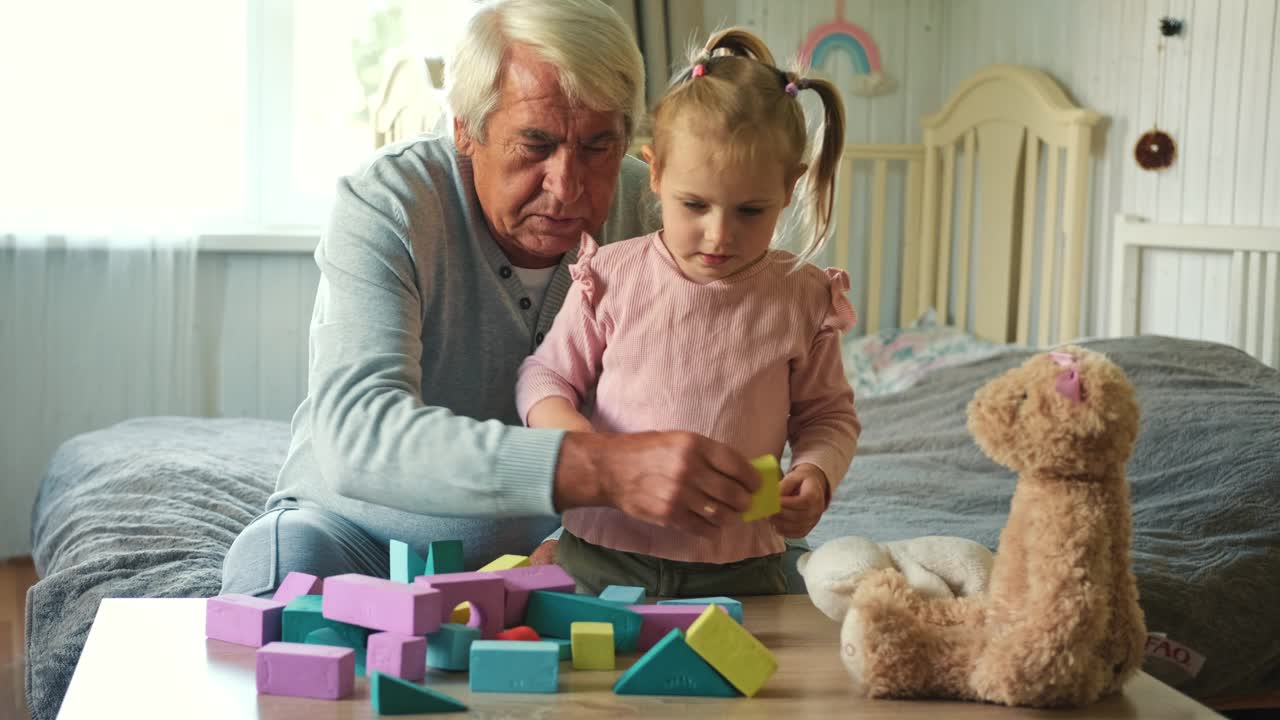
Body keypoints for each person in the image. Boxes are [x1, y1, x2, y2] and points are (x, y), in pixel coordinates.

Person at [220, 0, 767, 596]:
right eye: (535, 144)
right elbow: (358, 435)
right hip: (361, 536)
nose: (567, 187)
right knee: (271, 575)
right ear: (464, 128)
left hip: (576, 549)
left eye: (597, 146)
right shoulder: (391, 202)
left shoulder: (658, 212)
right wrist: (597, 469)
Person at [515, 28, 861, 596]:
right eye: (694, 205)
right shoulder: (610, 276)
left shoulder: (802, 296)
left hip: (742, 564)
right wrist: (588, 450)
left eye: (751, 210)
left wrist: (816, 475)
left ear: (790, 186)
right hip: (604, 552)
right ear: (654, 173)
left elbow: (828, 416)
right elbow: (545, 377)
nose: (719, 234)